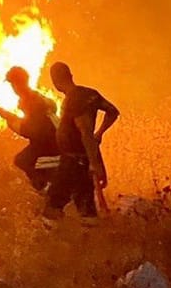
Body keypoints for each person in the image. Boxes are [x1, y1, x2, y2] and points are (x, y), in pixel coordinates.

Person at [44, 61, 120, 225]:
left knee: (51, 206)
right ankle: (92, 244)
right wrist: (99, 133)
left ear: (56, 80)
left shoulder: (74, 100)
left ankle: (53, 244)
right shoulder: (90, 93)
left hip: (73, 162)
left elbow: (85, 132)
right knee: (86, 208)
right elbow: (113, 112)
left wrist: (95, 163)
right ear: (70, 75)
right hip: (82, 159)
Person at [0, 67, 60, 192]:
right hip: (50, 141)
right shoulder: (35, 97)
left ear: (18, 84)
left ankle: (44, 189)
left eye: (13, 84)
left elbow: (30, 131)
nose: (13, 88)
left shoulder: (30, 101)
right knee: (23, 161)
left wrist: (9, 121)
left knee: (22, 161)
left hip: (49, 145)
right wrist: (7, 114)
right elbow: (32, 122)